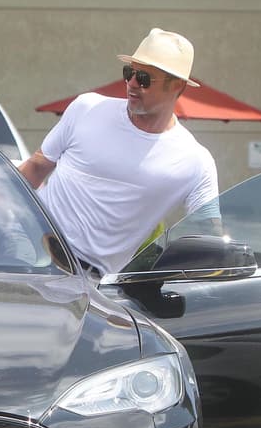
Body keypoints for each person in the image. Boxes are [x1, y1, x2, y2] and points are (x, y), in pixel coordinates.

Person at [15, 27, 221, 278]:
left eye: (144, 78)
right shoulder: (87, 107)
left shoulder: (195, 161)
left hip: (83, 280)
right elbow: (36, 167)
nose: (132, 84)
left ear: (176, 86)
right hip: (25, 237)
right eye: (129, 73)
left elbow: (210, 234)